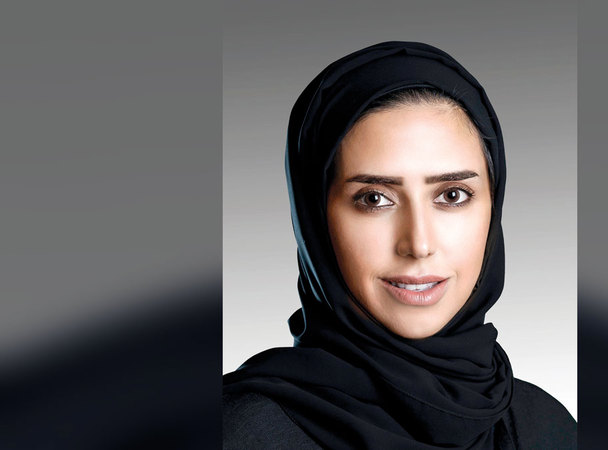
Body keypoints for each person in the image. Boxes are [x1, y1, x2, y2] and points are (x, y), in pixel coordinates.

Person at [223, 41, 576, 449]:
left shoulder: (545, 429)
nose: (419, 244)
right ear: (315, 221)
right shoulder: (237, 435)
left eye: (452, 195)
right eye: (374, 198)